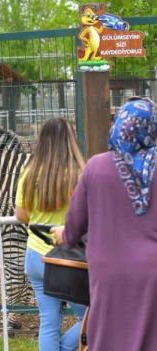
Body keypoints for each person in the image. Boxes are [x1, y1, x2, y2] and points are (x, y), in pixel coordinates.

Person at [53, 97, 157, 351]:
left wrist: (63, 235)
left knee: (110, 337)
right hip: (153, 273)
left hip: (108, 273)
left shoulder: (96, 167)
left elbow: (74, 225)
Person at [14, 117, 86, 351]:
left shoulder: (29, 173)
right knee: (92, 315)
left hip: (35, 255)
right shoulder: (79, 174)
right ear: (70, 140)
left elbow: (21, 215)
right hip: (69, 259)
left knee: (49, 322)